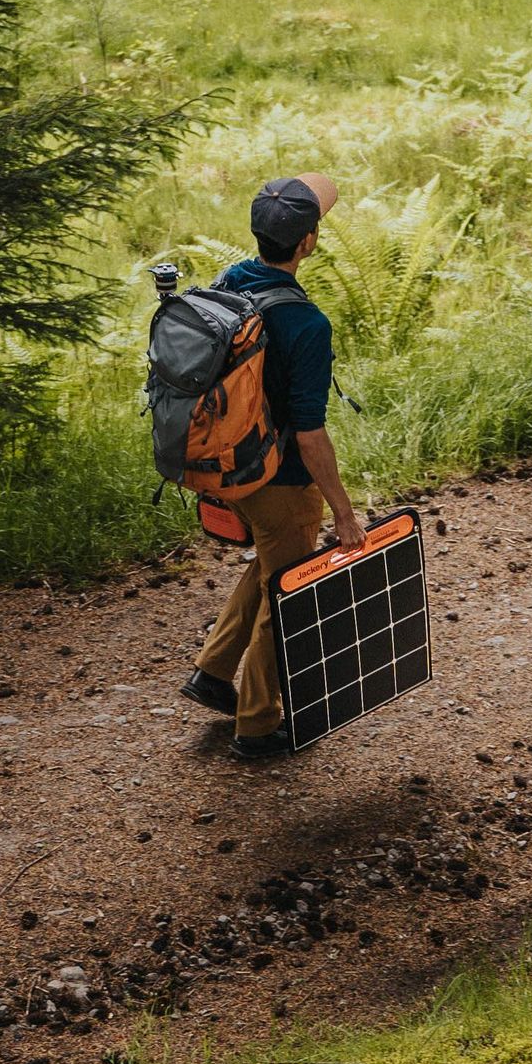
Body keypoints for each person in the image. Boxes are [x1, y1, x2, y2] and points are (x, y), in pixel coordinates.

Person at [179, 172, 367, 759]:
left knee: (270, 562)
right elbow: (310, 435)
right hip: (279, 480)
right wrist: (343, 512)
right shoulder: (307, 325)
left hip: (225, 465)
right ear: (307, 242)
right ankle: (259, 725)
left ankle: (213, 671)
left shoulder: (231, 279)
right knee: (287, 592)